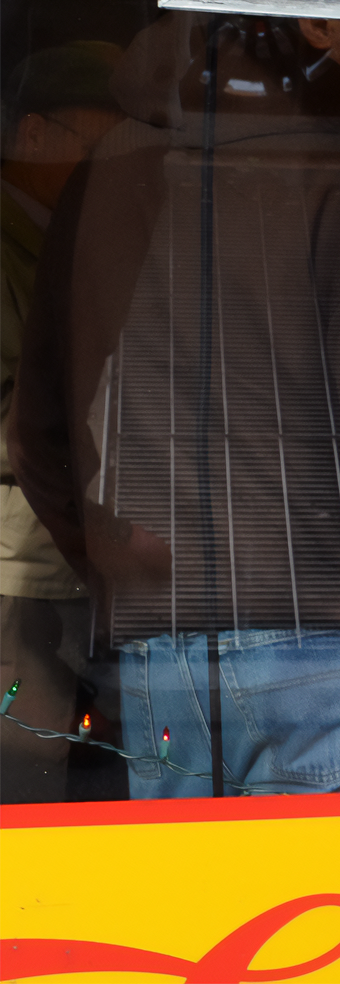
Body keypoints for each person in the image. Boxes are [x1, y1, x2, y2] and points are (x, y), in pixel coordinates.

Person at [8, 13, 340, 799]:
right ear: (316, 24)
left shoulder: (106, 178)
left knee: (190, 923)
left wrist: (135, 579)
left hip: (161, 661)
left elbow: (40, 438)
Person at [0, 42, 121, 801]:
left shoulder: (65, 237)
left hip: (63, 566)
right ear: (32, 136)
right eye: (102, 148)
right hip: (19, 571)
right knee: (25, 794)